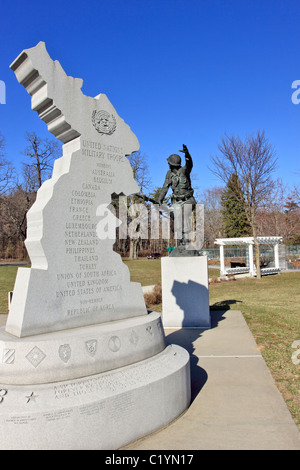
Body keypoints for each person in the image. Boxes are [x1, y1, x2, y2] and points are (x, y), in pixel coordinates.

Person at [158, 145, 197, 249]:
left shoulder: (184, 171)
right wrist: (159, 200)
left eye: (169, 163)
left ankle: (186, 241)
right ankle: (182, 241)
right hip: (177, 201)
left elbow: (189, 164)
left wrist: (187, 155)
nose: (168, 164)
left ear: (172, 164)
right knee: (177, 220)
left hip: (188, 200)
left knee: (184, 216)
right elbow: (165, 187)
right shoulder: (169, 174)